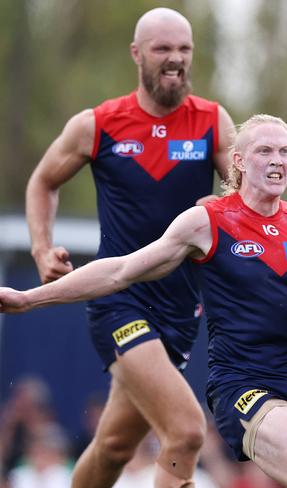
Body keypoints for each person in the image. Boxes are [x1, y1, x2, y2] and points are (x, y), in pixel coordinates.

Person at [1, 114, 287, 488]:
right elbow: (120, 270)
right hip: (244, 388)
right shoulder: (208, 221)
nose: (277, 160)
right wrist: (28, 299)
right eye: (264, 150)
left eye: (285, 151)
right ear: (239, 161)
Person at [24, 7, 235, 488]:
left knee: (114, 447)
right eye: (163, 48)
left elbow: (249, 199)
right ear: (137, 54)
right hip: (118, 299)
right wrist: (41, 248)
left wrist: (222, 203)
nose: (175, 58)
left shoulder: (212, 122)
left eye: (184, 49)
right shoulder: (97, 125)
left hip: (182, 309)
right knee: (185, 429)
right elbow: (42, 182)